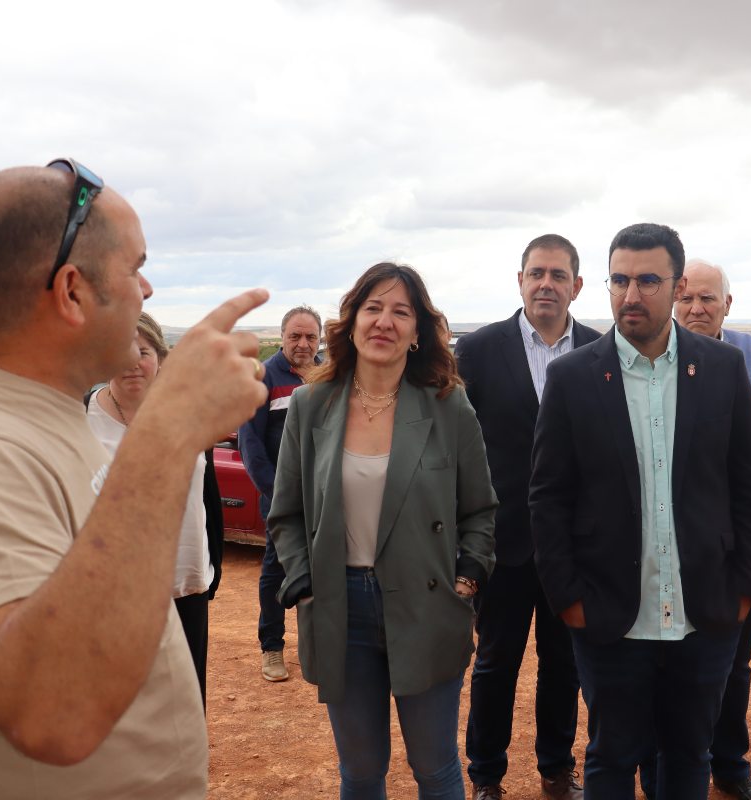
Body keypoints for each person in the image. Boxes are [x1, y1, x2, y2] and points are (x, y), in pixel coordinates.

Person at [0, 159, 267, 797]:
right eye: (135, 267)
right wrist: (167, 435)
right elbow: (51, 713)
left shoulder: (37, 415)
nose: (146, 291)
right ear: (72, 291)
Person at [529, 223, 751, 799]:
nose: (630, 295)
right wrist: (568, 598)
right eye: (619, 281)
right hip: (610, 618)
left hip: (704, 615)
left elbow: (750, 485)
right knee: (612, 757)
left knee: (689, 755)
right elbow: (548, 496)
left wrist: (743, 590)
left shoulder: (721, 369)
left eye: (647, 280)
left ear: (677, 283)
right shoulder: (571, 378)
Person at [269, 262, 497, 799]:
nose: (384, 322)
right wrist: (304, 583)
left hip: (428, 601)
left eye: (401, 312)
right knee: (362, 770)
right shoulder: (310, 404)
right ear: (351, 322)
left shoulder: (449, 405)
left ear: (419, 333)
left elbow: (481, 511)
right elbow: (285, 513)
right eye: (373, 308)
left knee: (435, 766)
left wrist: (465, 581)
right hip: (338, 607)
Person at [455, 234, 600, 800]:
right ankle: (486, 774)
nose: (546, 283)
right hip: (501, 542)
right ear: (519, 281)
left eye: (558, 274)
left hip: (575, 545)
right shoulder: (478, 351)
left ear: (576, 286)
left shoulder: (600, 350)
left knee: (564, 664)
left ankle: (556, 769)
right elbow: (457, 451)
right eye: (536, 272)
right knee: (495, 663)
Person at [637, 258, 751, 800]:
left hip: (742, 544)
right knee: (662, 664)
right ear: (674, 298)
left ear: (728, 304)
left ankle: (731, 764)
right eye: (687, 297)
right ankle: (661, 772)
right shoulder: (655, 355)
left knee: (733, 667)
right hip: (671, 543)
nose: (696, 308)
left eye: (708, 299)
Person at [85, 311, 225, 707]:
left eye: (143, 350)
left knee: (185, 703)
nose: (133, 361)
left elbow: (206, 497)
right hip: (109, 594)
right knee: (118, 710)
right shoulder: (81, 418)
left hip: (185, 584)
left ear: (160, 357)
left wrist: (212, 568)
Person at [239, 304, 322, 681]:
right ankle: (272, 648)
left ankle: (315, 649)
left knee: (322, 570)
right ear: (282, 336)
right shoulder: (263, 377)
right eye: (295, 336)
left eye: (310, 337)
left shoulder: (328, 376)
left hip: (326, 499)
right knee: (275, 570)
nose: (303, 344)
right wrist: (278, 494)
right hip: (281, 499)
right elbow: (250, 445)